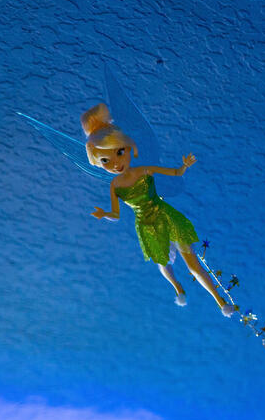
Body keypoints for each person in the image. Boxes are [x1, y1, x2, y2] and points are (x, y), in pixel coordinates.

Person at [81, 102, 237, 317]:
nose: (116, 164)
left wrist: (184, 166)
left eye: (119, 152)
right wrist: (105, 214)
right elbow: (116, 214)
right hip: (147, 226)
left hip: (166, 216)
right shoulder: (115, 185)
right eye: (106, 160)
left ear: (128, 147)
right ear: (98, 162)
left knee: (193, 264)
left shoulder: (144, 170)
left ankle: (220, 301)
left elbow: (174, 173)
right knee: (163, 262)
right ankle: (178, 288)